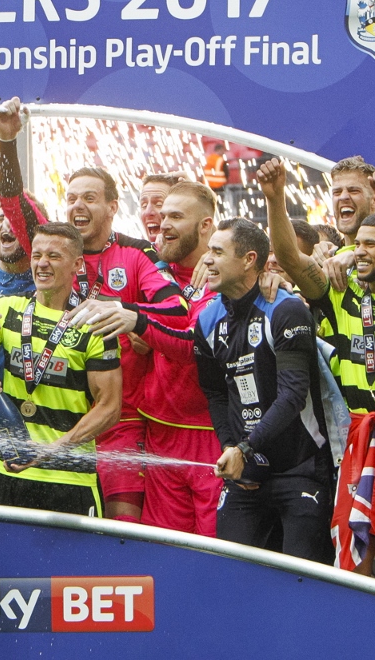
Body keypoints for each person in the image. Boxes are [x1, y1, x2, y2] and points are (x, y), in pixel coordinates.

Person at [0, 97, 187, 522]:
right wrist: (8, 140)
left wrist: (133, 316)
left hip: (117, 420)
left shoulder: (137, 256)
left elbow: (178, 312)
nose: (78, 206)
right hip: (50, 418)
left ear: (113, 206)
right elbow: (12, 199)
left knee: (122, 529)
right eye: (72, 197)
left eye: (91, 199)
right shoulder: (55, 244)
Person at [259, 159, 375, 580]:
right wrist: (275, 198)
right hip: (358, 440)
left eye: (370, 245)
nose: (357, 251)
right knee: (355, 550)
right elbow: (291, 259)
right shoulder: (341, 294)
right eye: (356, 243)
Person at [0, 223, 124, 516]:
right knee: (6, 563)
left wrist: (54, 448)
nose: (42, 263)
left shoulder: (94, 325)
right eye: (37, 255)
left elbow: (109, 407)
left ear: (77, 264)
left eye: (54, 256)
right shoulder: (6, 310)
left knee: (70, 565)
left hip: (70, 479)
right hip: (11, 473)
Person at [194, 219, 334, 562]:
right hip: (247, 473)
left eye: (217, 252)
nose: (206, 260)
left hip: (299, 467)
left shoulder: (285, 309)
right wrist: (231, 446)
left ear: (248, 259)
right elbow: (216, 394)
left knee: (302, 584)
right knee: (233, 578)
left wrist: (244, 446)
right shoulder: (207, 320)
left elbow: (293, 395)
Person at [127, 182, 225, 536]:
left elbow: (195, 348)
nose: (162, 222)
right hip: (160, 430)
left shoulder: (229, 275)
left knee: (216, 553)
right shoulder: (148, 268)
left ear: (205, 226)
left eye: (175, 216)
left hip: (212, 434)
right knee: (168, 554)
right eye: (161, 214)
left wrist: (140, 324)